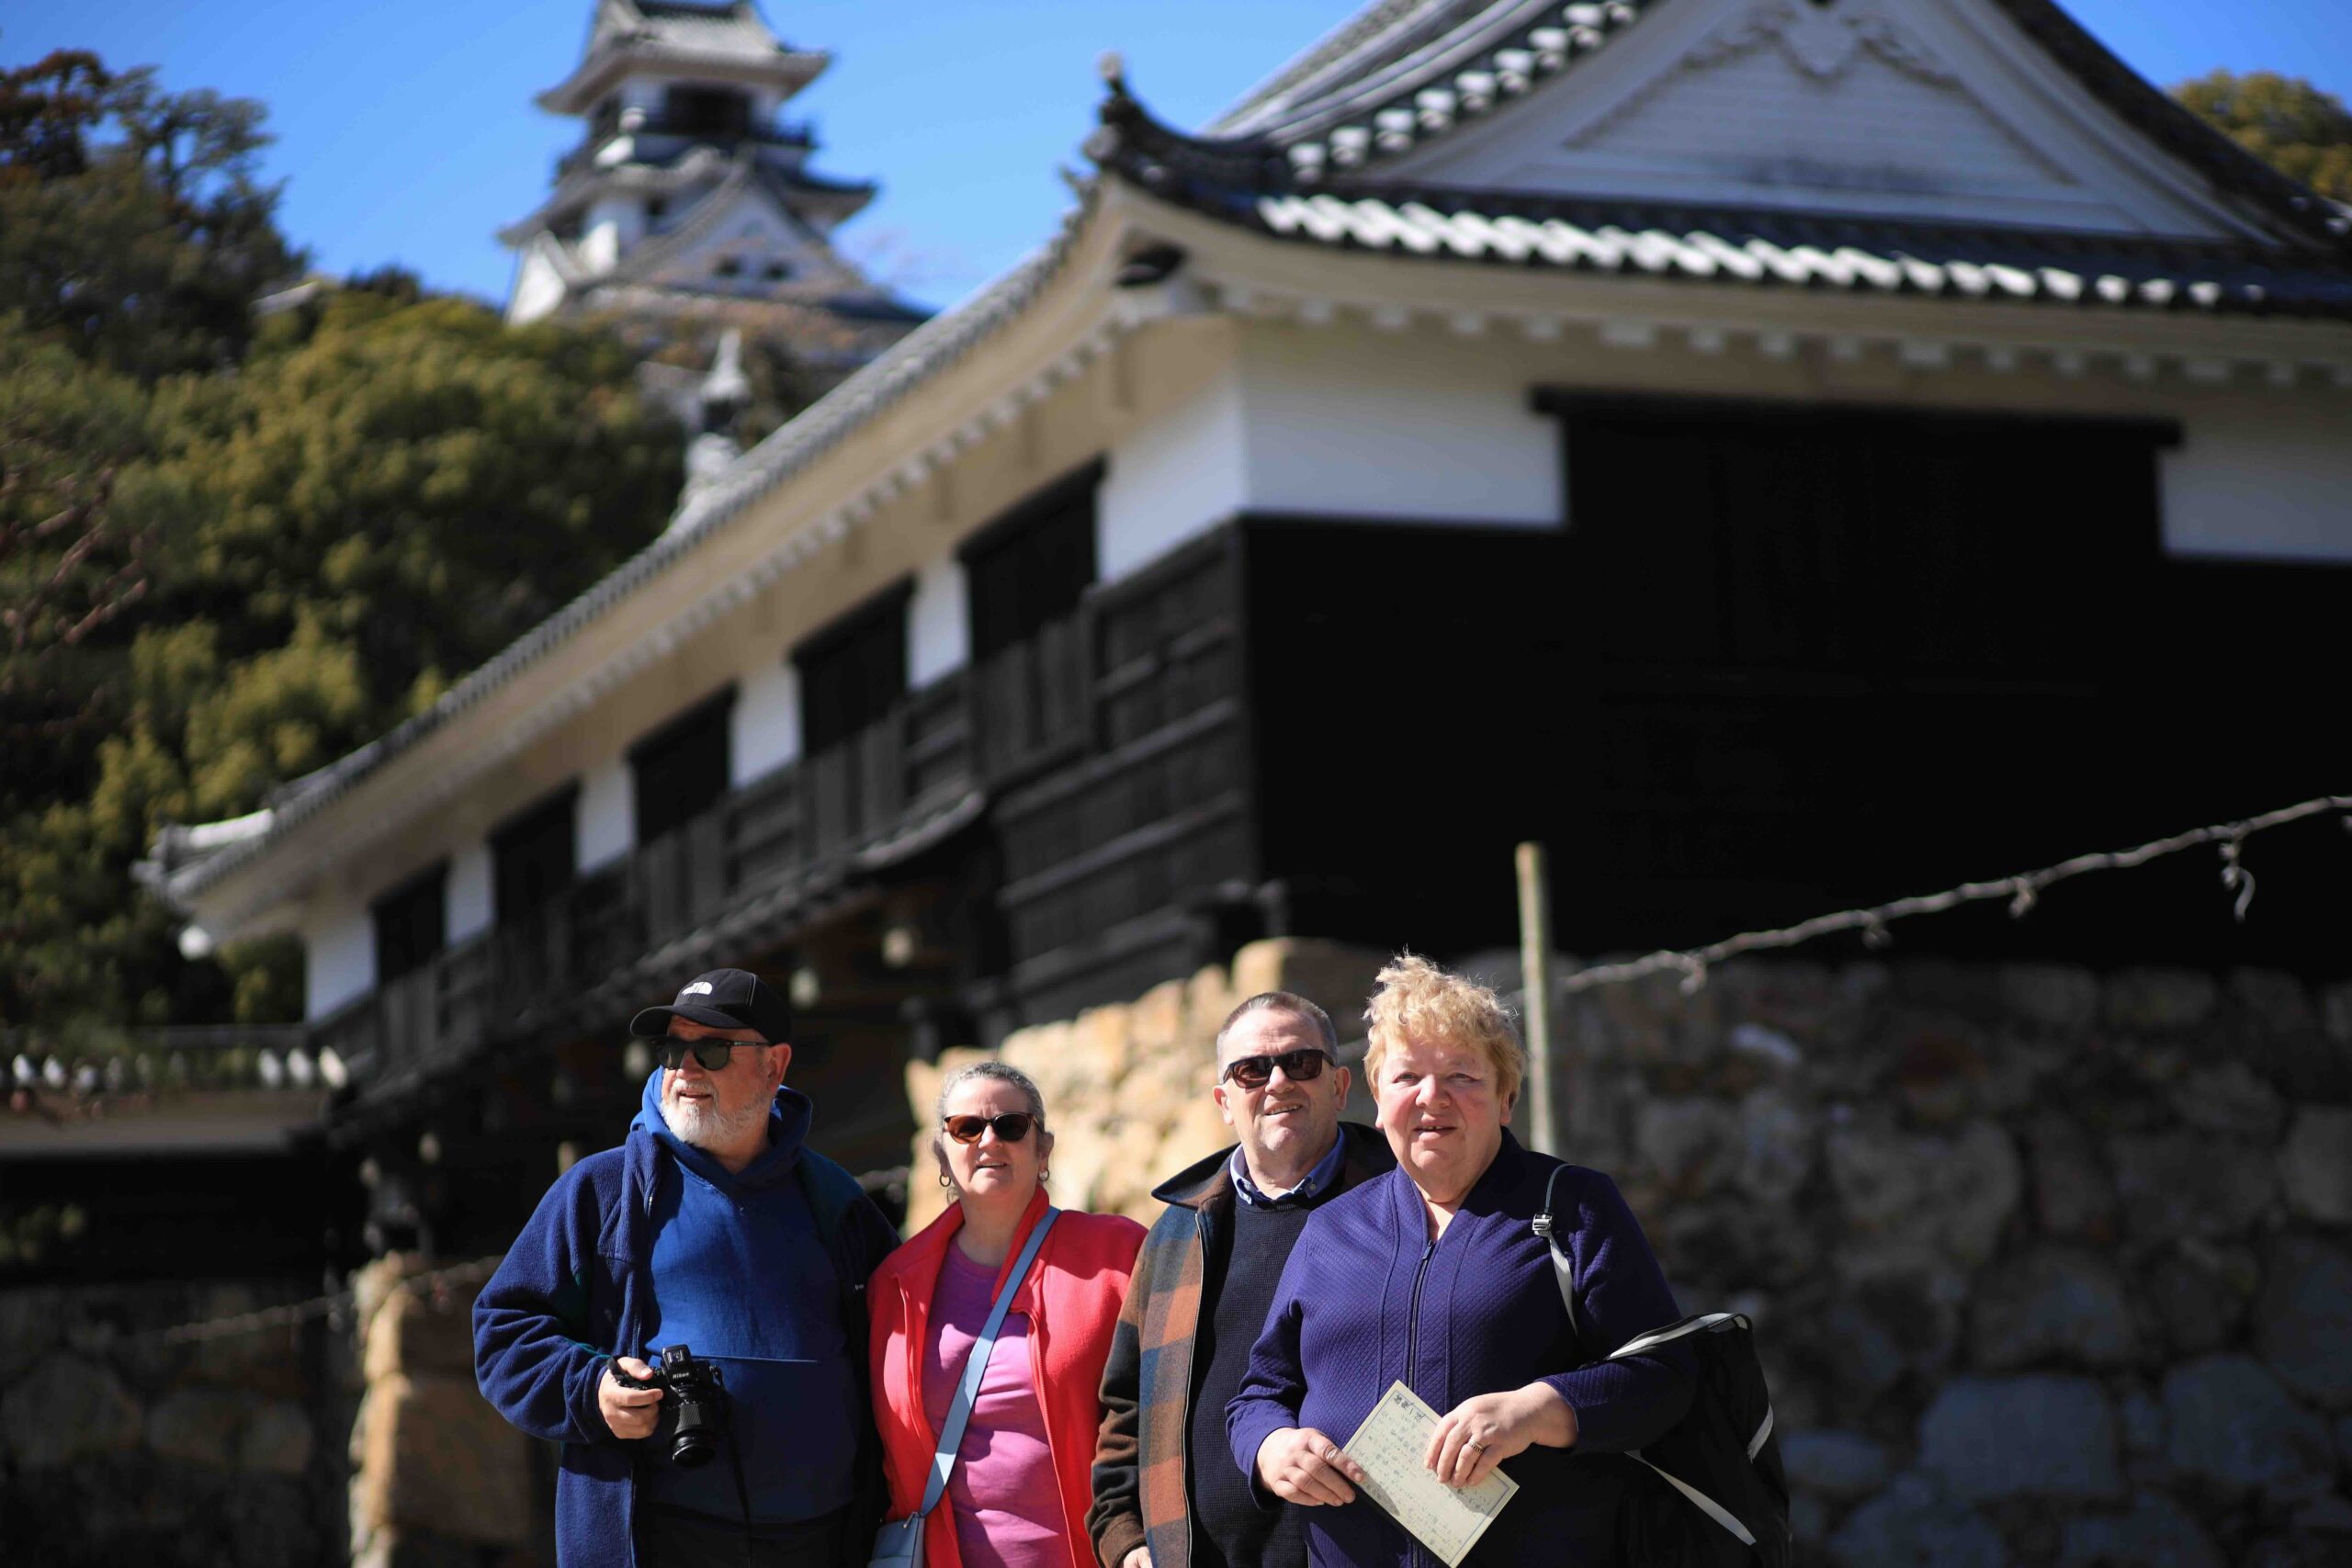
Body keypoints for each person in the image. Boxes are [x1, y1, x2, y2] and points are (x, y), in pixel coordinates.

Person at [1226, 955, 1695, 1566]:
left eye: (1462, 1076)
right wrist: (1270, 1446)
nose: (1431, 1096)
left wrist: (1540, 1410)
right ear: (1376, 1097)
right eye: (1406, 1076)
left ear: (1506, 1097)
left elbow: (1667, 1376)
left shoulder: (1573, 1204)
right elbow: (1260, 1391)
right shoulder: (1331, 1229)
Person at [474, 968, 899, 1568]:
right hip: (660, 1541)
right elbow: (502, 1330)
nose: (685, 1068)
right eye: (674, 1048)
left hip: (824, 1543)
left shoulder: (838, 1202)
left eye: (713, 1048)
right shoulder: (602, 1190)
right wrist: (591, 1386)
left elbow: (910, 1345)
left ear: (775, 1066)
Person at [1089, 992, 1395, 1568]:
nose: (1278, 1082)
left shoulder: (1407, 1201)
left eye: (1300, 1063)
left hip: (1371, 1549)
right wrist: (1126, 1538)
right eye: (1252, 1070)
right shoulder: (1179, 1233)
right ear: (1224, 1101)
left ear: (1339, 1085)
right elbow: (1126, 1404)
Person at [870, 1061, 1145, 1568]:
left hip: (1100, 1556)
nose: (989, 1141)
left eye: (1011, 1126)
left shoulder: (1118, 1253)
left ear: (1043, 1150)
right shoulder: (896, 1284)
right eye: (966, 1128)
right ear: (941, 1152)